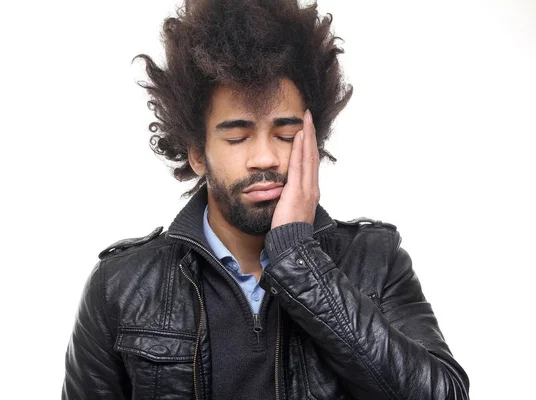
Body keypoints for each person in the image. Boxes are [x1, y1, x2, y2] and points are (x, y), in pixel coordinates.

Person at [62, 0, 469, 398]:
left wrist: (298, 258)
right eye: (237, 136)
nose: (265, 157)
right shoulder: (120, 286)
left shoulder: (375, 260)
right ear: (198, 154)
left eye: (286, 134)